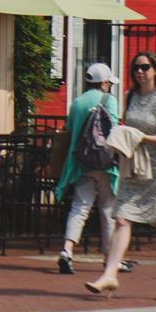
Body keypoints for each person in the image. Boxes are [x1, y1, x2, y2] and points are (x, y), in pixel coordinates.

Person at [87, 49, 156, 302]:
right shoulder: (131, 96)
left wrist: (141, 137)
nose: (140, 72)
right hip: (134, 165)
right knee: (121, 218)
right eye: (136, 68)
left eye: (145, 67)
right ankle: (110, 273)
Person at [52, 61, 120, 276]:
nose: (109, 86)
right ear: (103, 83)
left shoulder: (77, 103)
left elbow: (69, 130)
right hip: (105, 162)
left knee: (79, 207)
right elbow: (114, 131)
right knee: (108, 208)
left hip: (81, 162)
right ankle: (110, 258)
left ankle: (67, 250)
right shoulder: (109, 100)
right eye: (109, 82)